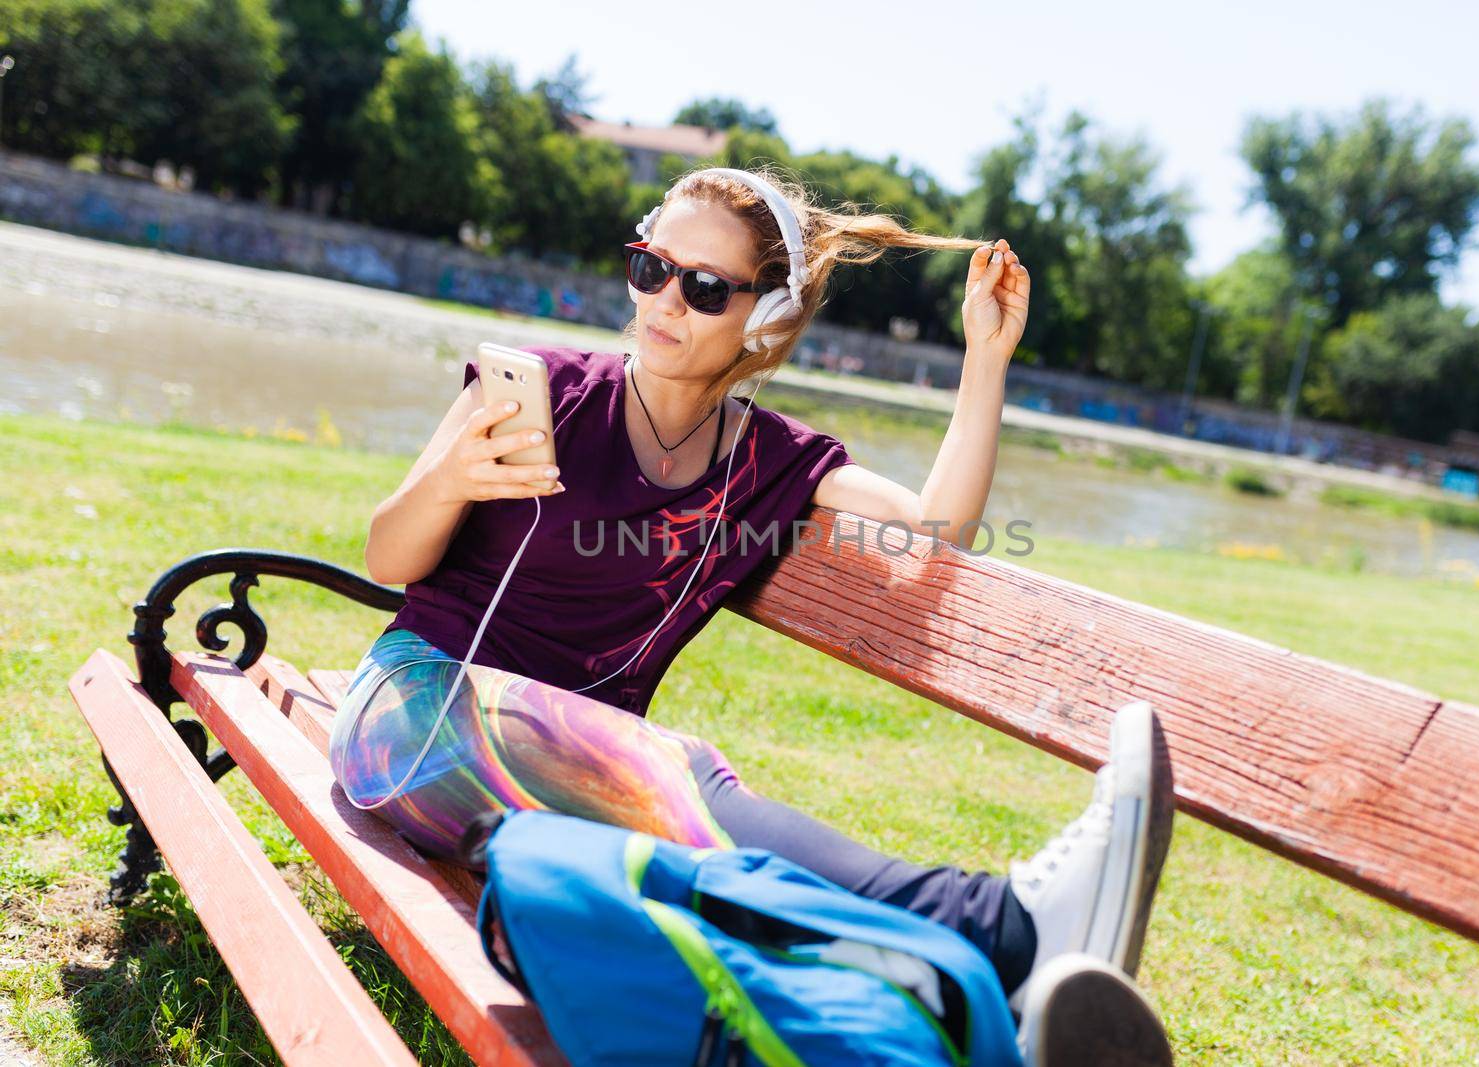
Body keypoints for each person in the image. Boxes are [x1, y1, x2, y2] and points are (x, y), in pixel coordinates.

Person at [329, 164, 1175, 1065]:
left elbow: (939, 530)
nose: (663, 302)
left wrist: (985, 358)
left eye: (702, 288)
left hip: (587, 775)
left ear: (764, 320)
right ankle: (1002, 924)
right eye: (651, 267)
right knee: (672, 776)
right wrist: (453, 477)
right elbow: (389, 557)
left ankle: (979, 1001)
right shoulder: (543, 393)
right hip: (411, 717)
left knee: (678, 802)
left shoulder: (771, 466)